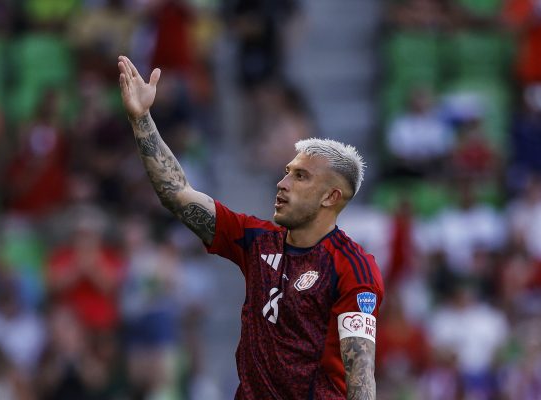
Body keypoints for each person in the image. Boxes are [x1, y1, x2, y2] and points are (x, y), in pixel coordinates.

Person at [117, 55, 384, 399]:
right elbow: (177, 195)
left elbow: (360, 374)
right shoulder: (258, 241)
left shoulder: (353, 268)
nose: (283, 183)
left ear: (330, 197)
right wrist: (141, 119)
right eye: (287, 171)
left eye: (300, 176)